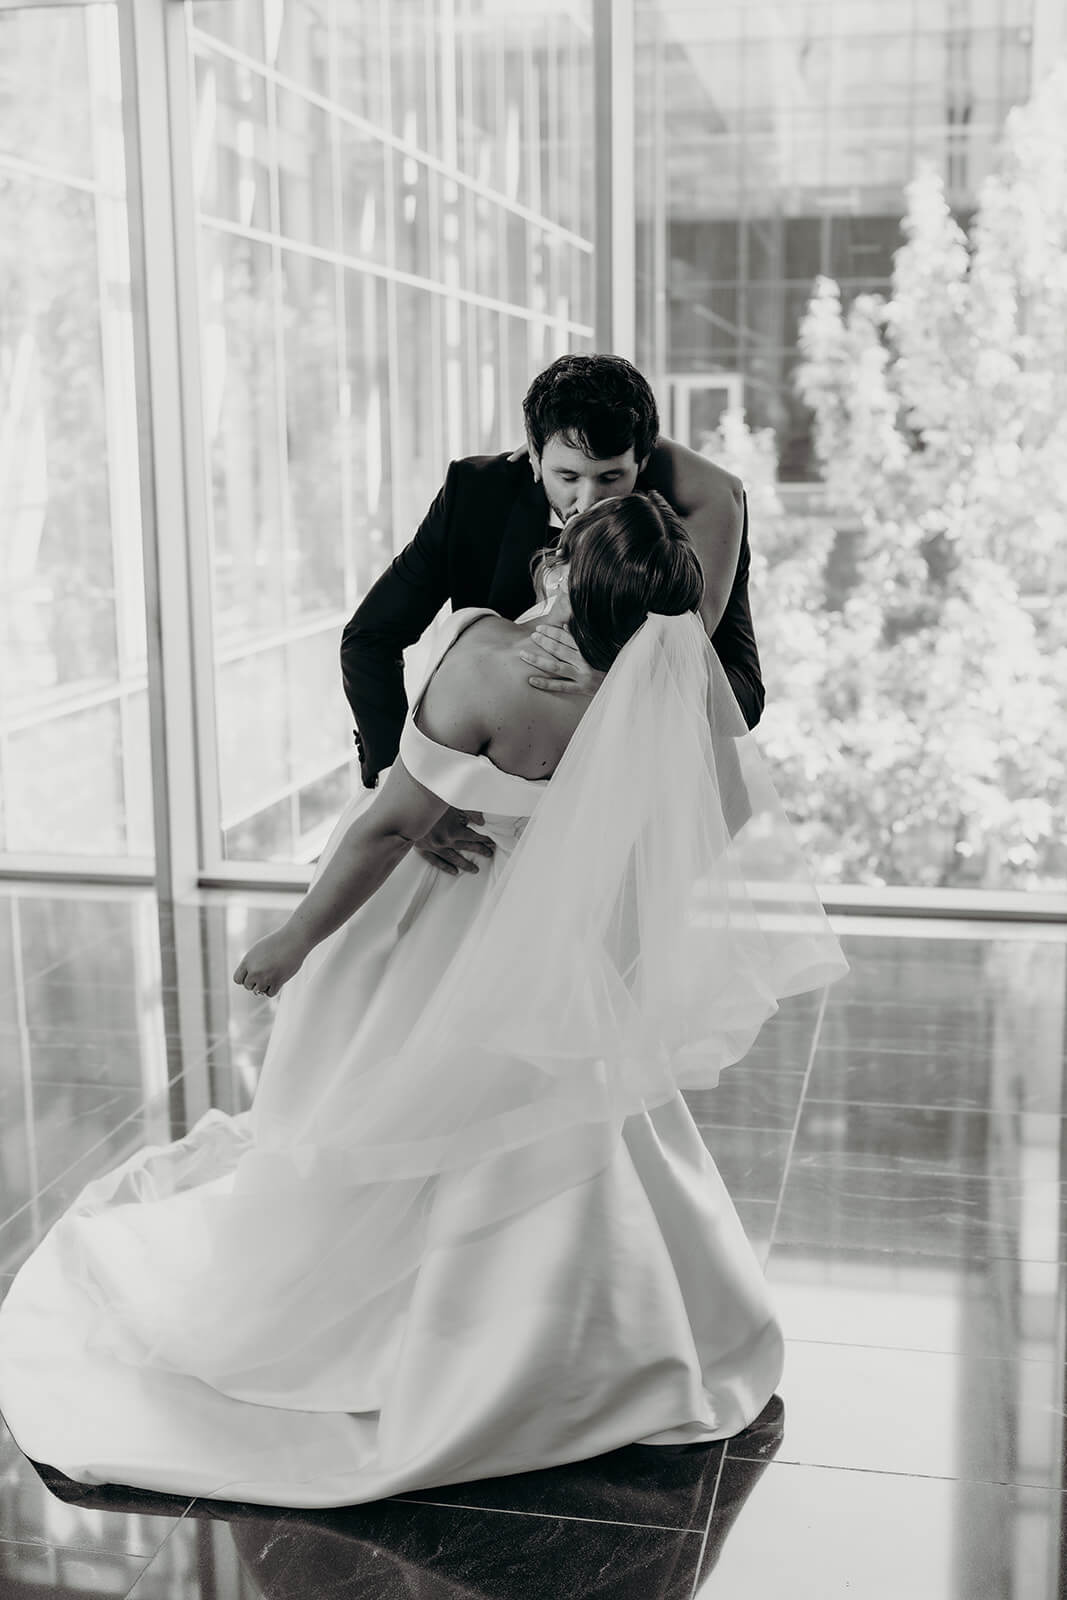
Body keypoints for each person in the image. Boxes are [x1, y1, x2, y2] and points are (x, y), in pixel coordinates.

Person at [0, 493, 846, 1510]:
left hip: (433, 915)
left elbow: (389, 827)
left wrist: (294, 940)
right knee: (554, 1128)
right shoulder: (661, 683)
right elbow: (728, 802)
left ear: (563, 577)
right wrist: (587, 880)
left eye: (561, 549)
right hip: (550, 946)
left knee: (376, 1105)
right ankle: (585, 1349)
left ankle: (388, 1339)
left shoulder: (487, 660)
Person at [341, 352, 763, 877]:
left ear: (643, 461)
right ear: (534, 456)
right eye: (567, 476)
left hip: (600, 843)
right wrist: (405, 780)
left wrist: (622, 683)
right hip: (468, 823)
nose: (588, 501)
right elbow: (370, 639)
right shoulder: (475, 493)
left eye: (611, 476)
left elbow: (744, 697)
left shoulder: (671, 535)